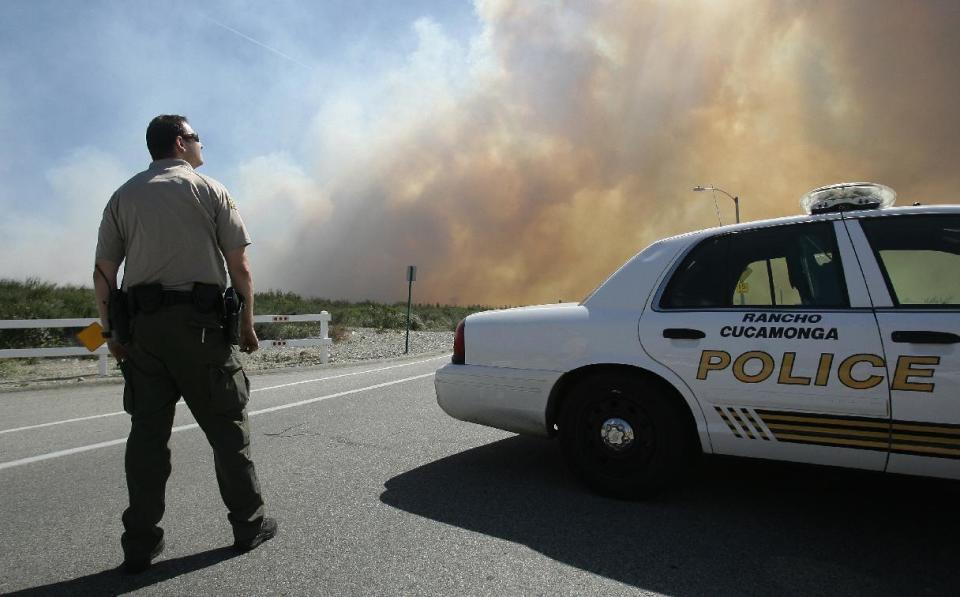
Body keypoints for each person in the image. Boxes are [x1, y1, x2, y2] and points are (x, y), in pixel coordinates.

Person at [93, 115, 277, 574]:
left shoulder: (122, 196)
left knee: (147, 441)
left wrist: (111, 333)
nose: (201, 144)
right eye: (196, 137)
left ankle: (139, 545)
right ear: (180, 142)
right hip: (202, 332)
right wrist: (247, 325)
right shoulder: (211, 190)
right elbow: (241, 268)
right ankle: (248, 525)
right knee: (229, 432)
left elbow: (103, 273)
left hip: (144, 336)